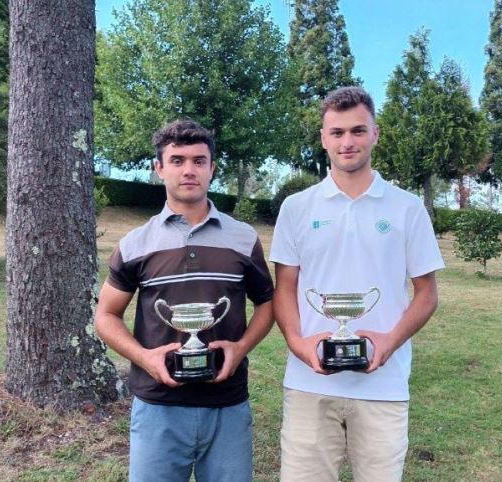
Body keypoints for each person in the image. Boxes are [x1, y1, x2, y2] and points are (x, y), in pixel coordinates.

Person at [269, 86, 445, 482]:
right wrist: (298, 345)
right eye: (337, 133)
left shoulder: (407, 207)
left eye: (357, 131)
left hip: (383, 386)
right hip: (308, 384)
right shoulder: (296, 208)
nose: (347, 142)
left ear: (375, 134)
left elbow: (427, 293)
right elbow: (284, 288)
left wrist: (388, 341)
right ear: (323, 139)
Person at [94, 119, 274, 482]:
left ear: (212, 168)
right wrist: (144, 358)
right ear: (159, 168)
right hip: (157, 404)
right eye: (177, 160)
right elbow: (106, 315)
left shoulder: (243, 238)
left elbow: (267, 303)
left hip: (228, 403)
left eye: (198, 160)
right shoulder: (134, 243)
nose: (188, 170)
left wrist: (240, 348)